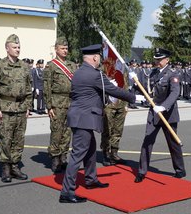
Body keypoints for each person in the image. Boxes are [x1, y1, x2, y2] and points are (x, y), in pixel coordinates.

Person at [59, 44, 136, 203]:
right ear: (95, 57)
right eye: (99, 57)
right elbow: (113, 90)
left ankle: (91, 180)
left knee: (91, 149)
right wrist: (133, 97)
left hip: (80, 117)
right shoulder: (95, 75)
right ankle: (66, 192)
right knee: (78, 154)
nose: (100, 59)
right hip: (84, 118)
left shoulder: (79, 72)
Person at [134, 47, 186, 183]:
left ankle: (180, 169)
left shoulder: (173, 74)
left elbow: (175, 93)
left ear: (167, 60)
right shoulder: (153, 73)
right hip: (153, 112)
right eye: (156, 59)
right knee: (147, 141)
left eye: (160, 59)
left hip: (168, 113)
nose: (157, 61)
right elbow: (148, 91)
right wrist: (134, 84)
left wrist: (163, 106)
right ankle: (141, 171)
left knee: (173, 143)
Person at [0, 34, 32, 182]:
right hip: (5, 108)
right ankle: (6, 168)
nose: (17, 49)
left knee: (19, 139)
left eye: (19, 47)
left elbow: (28, 88)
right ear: (7, 48)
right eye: (14, 47)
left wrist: (27, 107)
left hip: (20, 107)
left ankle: (15, 166)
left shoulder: (25, 66)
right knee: (6, 139)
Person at [44, 37, 77, 173]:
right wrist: (49, 106)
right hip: (57, 102)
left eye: (66, 48)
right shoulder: (51, 66)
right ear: (56, 49)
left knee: (67, 132)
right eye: (62, 48)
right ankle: (55, 158)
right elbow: (47, 86)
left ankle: (63, 156)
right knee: (57, 131)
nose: (65, 51)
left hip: (70, 102)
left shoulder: (72, 65)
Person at [100, 71, 130, 166]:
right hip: (108, 104)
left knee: (118, 130)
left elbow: (126, 88)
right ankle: (106, 153)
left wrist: (126, 104)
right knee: (107, 130)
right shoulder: (103, 72)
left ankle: (114, 153)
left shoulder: (122, 71)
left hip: (121, 104)